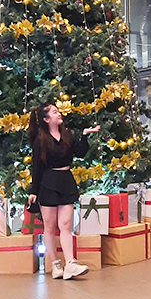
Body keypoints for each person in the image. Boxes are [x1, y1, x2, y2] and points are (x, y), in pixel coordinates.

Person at [28, 103, 99, 279]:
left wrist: (84, 136)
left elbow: (80, 153)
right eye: (54, 112)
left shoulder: (67, 135)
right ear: (46, 119)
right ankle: (55, 264)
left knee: (66, 225)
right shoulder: (41, 140)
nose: (59, 114)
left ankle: (71, 264)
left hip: (66, 181)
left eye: (58, 111)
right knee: (50, 227)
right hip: (48, 184)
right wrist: (33, 190)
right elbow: (36, 166)